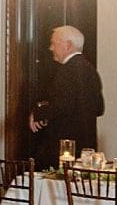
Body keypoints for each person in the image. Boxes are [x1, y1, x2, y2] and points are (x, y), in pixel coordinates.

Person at [28, 24, 104, 169]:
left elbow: (62, 105)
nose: (51, 48)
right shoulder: (91, 70)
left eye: (53, 43)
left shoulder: (66, 71)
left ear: (68, 45)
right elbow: (100, 108)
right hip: (86, 149)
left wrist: (38, 113)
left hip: (64, 149)